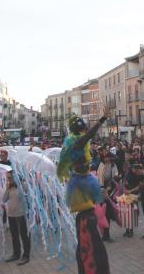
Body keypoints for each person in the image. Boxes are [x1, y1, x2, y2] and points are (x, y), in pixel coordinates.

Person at [57, 106, 111, 274]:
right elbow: (89, 135)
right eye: (82, 129)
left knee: (88, 238)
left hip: (84, 185)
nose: (84, 132)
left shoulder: (79, 142)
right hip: (81, 187)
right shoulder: (77, 143)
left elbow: (88, 135)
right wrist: (102, 120)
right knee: (89, 242)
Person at [3, 171, 30, 265]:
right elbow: (4, 199)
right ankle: (16, 253)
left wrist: (21, 183)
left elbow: (27, 192)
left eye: (10, 178)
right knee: (14, 235)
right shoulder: (9, 188)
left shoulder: (22, 186)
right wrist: (7, 188)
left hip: (20, 215)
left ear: (15, 177)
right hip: (11, 215)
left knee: (23, 235)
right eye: (8, 178)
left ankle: (26, 255)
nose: (8, 180)